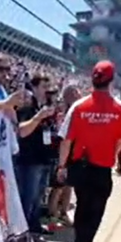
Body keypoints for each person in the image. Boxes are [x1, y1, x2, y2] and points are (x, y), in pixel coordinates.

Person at [56, 60, 121, 242]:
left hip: (80, 165)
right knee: (95, 213)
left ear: (92, 80)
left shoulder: (79, 107)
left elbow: (66, 140)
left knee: (81, 208)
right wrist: (111, 156)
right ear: (112, 81)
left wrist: (62, 166)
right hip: (101, 168)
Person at [14, 73, 57, 237]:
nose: (47, 91)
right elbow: (22, 131)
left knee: (39, 196)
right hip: (30, 159)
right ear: (34, 87)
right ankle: (22, 232)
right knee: (28, 196)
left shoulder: (44, 107)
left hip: (43, 157)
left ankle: (34, 224)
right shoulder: (27, 107)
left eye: (48, 87)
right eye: (43, 87)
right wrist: (39, 117)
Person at [47, 84, 81, 227]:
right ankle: (52, 214)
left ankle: (64, 212)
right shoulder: (61, 110)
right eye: (74, 93)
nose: (78, 96)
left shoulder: (78, 110)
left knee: (69, 185)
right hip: (61, 151)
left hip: (73, 151)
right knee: (58, 186)